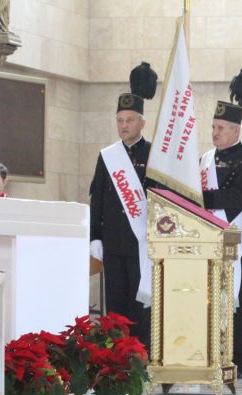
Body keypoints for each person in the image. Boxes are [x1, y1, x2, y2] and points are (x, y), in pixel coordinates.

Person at [89, 62, 158, 350]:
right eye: (119, 120)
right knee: (115, 304)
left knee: (140, 303)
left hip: (141, 242)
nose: (124, 126)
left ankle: (140, 355)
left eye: (129, 120)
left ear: (142, 123)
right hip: (114, 241)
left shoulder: (154, 154)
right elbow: (97, 198)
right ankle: (116, 356)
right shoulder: (108, 156)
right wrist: (95, 236)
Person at [199, 69, 242, 378]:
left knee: (236, 299)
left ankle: (237, 359)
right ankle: (207, 353)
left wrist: (205, 198)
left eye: (220, 128)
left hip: (233, 237)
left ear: (235, 130)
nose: (215, 133)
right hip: (205, 238)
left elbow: (237, 197)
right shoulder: (205, 159)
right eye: (213, 127)